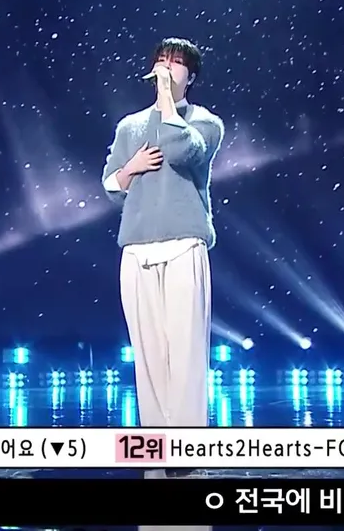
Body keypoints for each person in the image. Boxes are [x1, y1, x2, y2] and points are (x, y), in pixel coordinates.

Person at [101, 38, 225, 452]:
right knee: (149, 354)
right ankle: (156, 442)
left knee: (185, 351)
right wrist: (132, 167)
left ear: (191, 76)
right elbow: (110, 185)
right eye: (161, 61)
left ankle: (187, 444)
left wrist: (168, 102)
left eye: (176, 63)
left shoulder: (206, 122)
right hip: (137, 248)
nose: (166, 68)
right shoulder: (130, 126)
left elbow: (181, 150)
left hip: (184, 243)